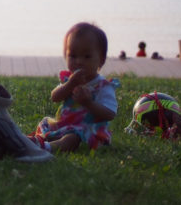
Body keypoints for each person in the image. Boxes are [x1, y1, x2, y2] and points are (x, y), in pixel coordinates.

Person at [31, 22, 120, 153]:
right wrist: (69, 85)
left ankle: (47, 147)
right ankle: (33, 141)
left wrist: (88, 103)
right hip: (65, 125)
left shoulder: (103, 86)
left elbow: (110, 114)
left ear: (101, 60)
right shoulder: (70, 81)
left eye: (87, 56)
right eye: (73, 56)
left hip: (89, 130)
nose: (79, 61)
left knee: (73, 138)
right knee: (47, 125)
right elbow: (55, 97)